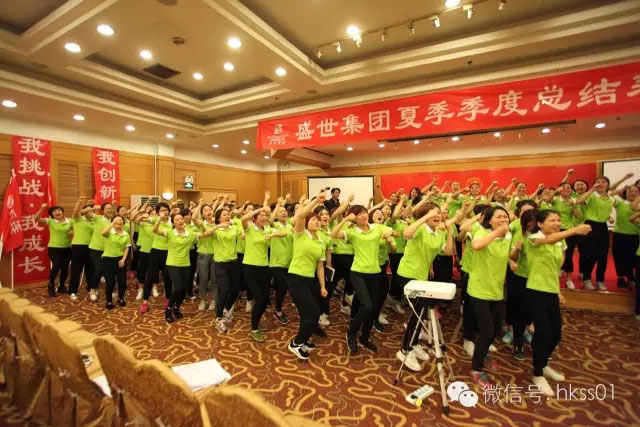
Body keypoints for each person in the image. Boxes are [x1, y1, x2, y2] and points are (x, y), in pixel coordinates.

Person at [525, 210, 591, 396]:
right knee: (543, 332)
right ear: (540, 224)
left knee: (556, 333)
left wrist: (558, 290)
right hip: (536, 290)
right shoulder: (533, 238)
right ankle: (537, 373)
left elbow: (554, 269)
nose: (556, 223)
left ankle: (543, 363)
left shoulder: (560, 241)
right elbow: (547, 240)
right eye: (552, 220)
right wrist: (574, 230)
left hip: (551, 291)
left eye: (558, 220)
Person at [394, 203, 456, 372]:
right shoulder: (420, 228)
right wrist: (424, 218)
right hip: (407, 274)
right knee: (418, 312)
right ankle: (404, 350)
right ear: (425, 215)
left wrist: (450, 231)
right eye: (433, 213)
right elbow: (406, 234)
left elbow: (448, 252)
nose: (438, 215)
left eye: (439, 213)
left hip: (422, 277)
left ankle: (413, 343)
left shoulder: (438, 233)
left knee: (421, 312)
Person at [331, 205, 393, 354]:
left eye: (365, 212)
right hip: (358, 273)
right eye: (359, 214)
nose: (364, 216)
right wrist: (345, 219)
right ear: (354, 218)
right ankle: (351, 333)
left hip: (375, 273)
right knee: (367, 306)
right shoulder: (352, 232)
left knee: (373, 309)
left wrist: (390, 233)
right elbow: (334, 234)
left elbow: (393, 232)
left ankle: (365, 337)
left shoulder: (376, 228)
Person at [467, 206, 514, 388]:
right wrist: (497, 233)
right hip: (479, 288)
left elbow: (504, 254)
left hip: (496, 289)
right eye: (499, 217)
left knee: (495, 330)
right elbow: (477, 246)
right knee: (486, 331)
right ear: (490, 220)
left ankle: (483, 353)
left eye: (505, 217)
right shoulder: (482, 232)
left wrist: (511, 260)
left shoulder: (508, 236)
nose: (503, 220)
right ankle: (476, 369)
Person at [153, 209, 216, 323]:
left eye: (181, 219)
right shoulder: (170, 232)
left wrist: (216, 226)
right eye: (177, 220)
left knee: (184, 289)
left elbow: (205, 234)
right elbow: (155, 230)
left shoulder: (190, 233)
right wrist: (159, 219)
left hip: (185, 264)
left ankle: (177, 308)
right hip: (172, 263)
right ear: (173, 223)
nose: (180, 221)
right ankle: (169, 309)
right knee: (178, 288)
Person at [287, 197, 328, 360]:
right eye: (313, 220)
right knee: (313, 313)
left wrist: (323, 286)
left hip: (310, 280)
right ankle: (296, 343)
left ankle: (303, 341)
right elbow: (301, 214)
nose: (317, 222)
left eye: (318, 220)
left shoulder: (321, 241)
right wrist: (316, 201)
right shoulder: (301, 234)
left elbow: (320, 266)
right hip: (296, 278)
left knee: (308, 313)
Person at [242, 204, 287, 342]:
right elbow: (243, 218)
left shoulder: (267, 228)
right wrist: (260, 209)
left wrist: (272, 234)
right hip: (250, 268)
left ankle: (256, 322)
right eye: (261, 216)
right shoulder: (250, 228)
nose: (264, 217)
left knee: (264, 300)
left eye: (265, 215)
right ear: (254, 218)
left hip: (264, 268)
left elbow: (285, 233)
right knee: (259, 299)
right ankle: (254, 329)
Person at [506, 208, 537, 359]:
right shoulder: (520, 235)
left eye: (534, 224)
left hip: (538, 278)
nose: (531, 227)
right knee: (519, 311)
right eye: (528, 225)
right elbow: (511, 257)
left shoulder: (548, 237)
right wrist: (517, 250)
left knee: (534, 310)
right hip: (521, 277)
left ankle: (530, 336)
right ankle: (518, 342)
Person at [577, 177, 614, 291]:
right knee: (590, 254)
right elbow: (579, 201)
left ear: (608, 185)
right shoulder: (591, 195)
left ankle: (600, 280)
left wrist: (609, 217)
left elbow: (603, 210)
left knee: (603, 256)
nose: (600, 184)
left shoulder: (611, 198)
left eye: (604, 182)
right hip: (590, 226)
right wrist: (592, 189)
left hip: (603, 227)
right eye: (598, 182)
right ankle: (586, 279)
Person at [211, 207, 243, 333]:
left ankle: (226, 310)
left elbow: (242, 231)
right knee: (224, 291)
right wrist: (218, 226)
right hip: (221, 264)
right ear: (218, 218)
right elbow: (205, 234)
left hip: (234, 263)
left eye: (228, 214)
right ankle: (218, 318)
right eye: (224, 215)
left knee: (235, 291)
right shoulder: (216, 230)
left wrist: (243, 234)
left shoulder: (234, 228)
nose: (227, 216)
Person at [140, 203, 172, 314]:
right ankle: (145, 301)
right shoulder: (154, 219)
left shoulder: (172, 221)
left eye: (166, 210)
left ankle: (168, 299)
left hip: (169, 252)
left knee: (167, 277)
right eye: (162, 210)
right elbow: (138, 219)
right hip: (156, 251)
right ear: (158, 212)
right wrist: (158, 219)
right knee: (150, 276)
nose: (165, 212)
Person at [34, 203, 72, 297]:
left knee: (65, 268)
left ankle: (61, 285)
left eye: (59, 210)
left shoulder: (70, 221)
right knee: (57, 265)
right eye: (54, 211)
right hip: (54, 248)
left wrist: (72, 232)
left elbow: (76, 229)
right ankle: (51, 285)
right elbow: (36, 219)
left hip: (67, 248)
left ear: (62, 212)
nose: (57, 212)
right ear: (52, 214)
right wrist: (42, 208)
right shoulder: (50, 221)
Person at [610, 177, 638, 289]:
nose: (633, 193)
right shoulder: (620, 202)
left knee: (633, 258)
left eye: (636, 191)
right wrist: (623, 184)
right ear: (625, 192)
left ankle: (630, 277)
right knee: (620, 257)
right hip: (620, 235)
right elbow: (610, 193)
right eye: (630, 191)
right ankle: (620, 278)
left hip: (636, 235)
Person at [193, 198, 220, 311]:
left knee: (214, 279)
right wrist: (200, 205)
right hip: (203, 254)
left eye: (210, 210)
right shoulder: (200, 223)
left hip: (216, 254)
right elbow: (193, 217)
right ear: (202, 214)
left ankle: (214, 300)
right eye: (206, 210)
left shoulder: (217, 223)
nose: (208, 211)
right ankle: (203, 300)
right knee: (203, 278)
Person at [269, 204, 294, 324]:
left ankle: (278, 306)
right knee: (283, 286)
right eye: (280, 212)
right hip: (277, 262)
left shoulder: (290, 226)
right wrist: (278, 205)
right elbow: (270, 220)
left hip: (289, 262)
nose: (284, 213)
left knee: (284, 287)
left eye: (285, 211)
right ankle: (278, 311)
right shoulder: (274, 225)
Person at [100, 215, 131, 309]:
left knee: (122, 281)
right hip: (108, 259)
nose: (119, 221)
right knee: (111, 282)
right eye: (117, 220)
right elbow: (102, 232)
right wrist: (112, 223)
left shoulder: (126, 234)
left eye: (121, 220)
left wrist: (124, 259)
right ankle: (109, 301)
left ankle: (121, 298)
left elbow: (127, 247)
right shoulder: (109, 232)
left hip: (120, 260)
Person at [88, 201, 115, 301]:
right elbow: (82, 212)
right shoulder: (97, 218)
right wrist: (93, 208)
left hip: (108, 250)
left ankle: (109, 291)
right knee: (99, 269)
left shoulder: (114, 220)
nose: (110, 210)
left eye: (111, 208)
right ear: (102, 211)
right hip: (96, 248)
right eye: (107, 208)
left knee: (109, 271)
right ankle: (92, 290)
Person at [69, 197, 95, 300]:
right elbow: (76, 211)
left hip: (91, 247)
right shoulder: (78, 219)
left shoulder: (94, 221)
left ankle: (91, 289)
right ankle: (73, 291)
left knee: (90, 270)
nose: (91, 212)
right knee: (76, 270)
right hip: (78, 246)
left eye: (92, 211)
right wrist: (79, 202)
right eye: (89, 210)